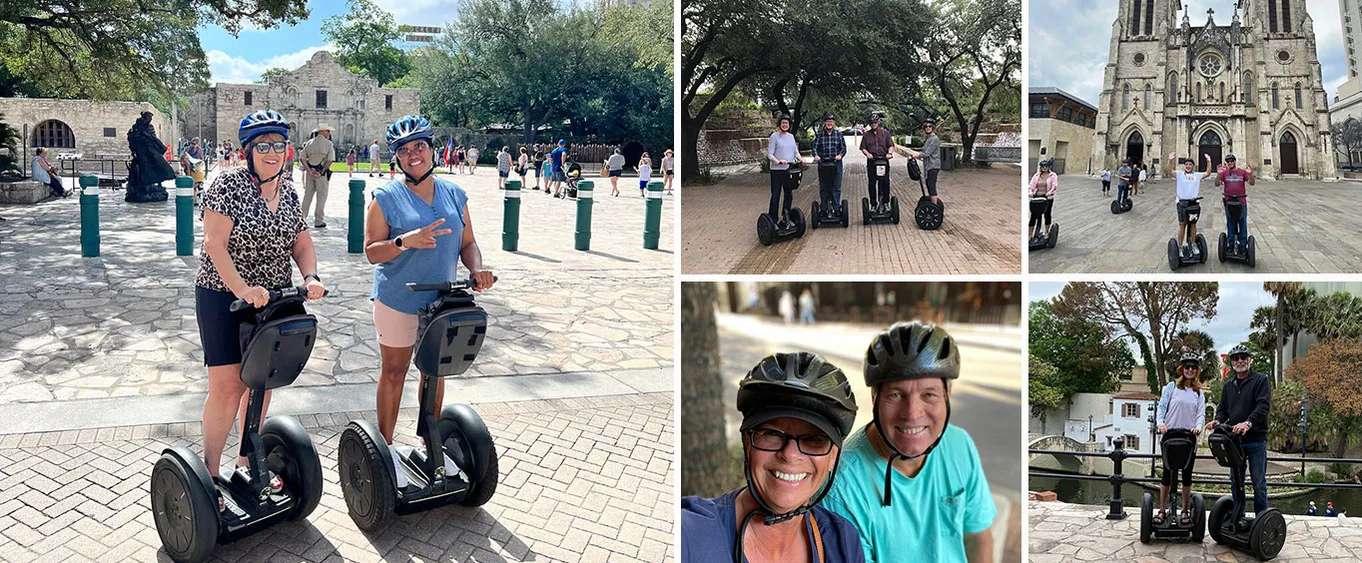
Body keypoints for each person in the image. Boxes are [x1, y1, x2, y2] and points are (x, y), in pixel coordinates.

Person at [196, 109, 325, 511]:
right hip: (223, 295)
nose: (273, 152)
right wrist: (242, 289)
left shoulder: (286, 190)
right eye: (263, 146)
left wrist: (312, 276)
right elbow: (214, 245)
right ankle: (211, 475)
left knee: (261, 383)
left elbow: (301, 242)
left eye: (279, 145)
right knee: (228, 386)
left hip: (273, 299)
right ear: (248, 151)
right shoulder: (226, 186)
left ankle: (246, 463)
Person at [363, 115, 495, 488]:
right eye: (404, 150)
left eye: (419, 146)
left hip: (442, 300)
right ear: (397, 159)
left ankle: (428, 443)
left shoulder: (454, 193)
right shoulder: (386, 197)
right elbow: (371, 252)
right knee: (394, 371)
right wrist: (407, 241)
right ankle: (384, 450)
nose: (413, 154)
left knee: (434, 375)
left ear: (431, 149)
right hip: (398, 299)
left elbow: (468, 244)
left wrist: (478, 269)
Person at [823, 322, 996, 563]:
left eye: (929, 395)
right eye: (896, 395)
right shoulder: (842, 485)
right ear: (875, 398)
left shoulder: (959, 445)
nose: (912, 413)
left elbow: (978, 537)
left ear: (948, 395)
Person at [681, 353, 864, 563]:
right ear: (747, 443)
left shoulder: (843, 543)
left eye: (813, 439)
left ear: (833, 457)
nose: (790, 454)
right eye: (771, 434)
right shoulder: (690, 536)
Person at [1205, 344, 1272, 519]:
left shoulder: (1260, 380)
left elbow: (1263, 406)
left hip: (1256, 439)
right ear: (1231, 363)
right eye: (1236, 358)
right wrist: (1218, 420)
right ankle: (1238, 516)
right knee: (1236, 482)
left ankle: (1261, 521)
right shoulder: (1228, 386)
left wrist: (1248, 422)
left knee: (1259, 483)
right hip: (1235, 441)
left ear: (1249, 360)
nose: (1240, 361)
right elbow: (1223, 408)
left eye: (1243, 357)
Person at [1153, 353, 1206, 526]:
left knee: (1187, 475)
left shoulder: (1199, 393)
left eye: (1193, 367)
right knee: (1167, 474)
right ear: (1181, 369)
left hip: (1189, 438)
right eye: (1187, 366)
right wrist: (1160, 423)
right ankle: (1162, 509)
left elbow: (1200, 414)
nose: (1190, 370)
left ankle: (1184, 510)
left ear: (1197, 371)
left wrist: (1198, 427)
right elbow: (1161, 407)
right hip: (1170, 435)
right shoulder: (1170, 388)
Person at [1163, 151, 1213, 260]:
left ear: (1193, 166)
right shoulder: (1180, 174)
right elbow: (1169, 171)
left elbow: (1208, 173)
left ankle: (1193, 244)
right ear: (1184, 166)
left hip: (1193, 203)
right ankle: (1180, 247)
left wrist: (1209, 161)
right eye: (1186, 165)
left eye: (1190, 165)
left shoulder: (1196, 175)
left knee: (1193, 224)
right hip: (1182, 202)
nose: (1188, 166)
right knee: (1182, 224)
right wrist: (1170, 160)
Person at [1215, 154, 1255, 250]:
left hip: (1241, 202)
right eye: (1228, 161)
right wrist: (1219, 174)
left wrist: (1250, 174)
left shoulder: (1242, 172)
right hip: (1229, 203)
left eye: (1232, 160)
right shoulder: (1224, 173)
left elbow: (1252, 183)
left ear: (1235, 161)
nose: (1230, 162)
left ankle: (1242, 244)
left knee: (1242, 223)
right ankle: (1231, 243)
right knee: (1230, 223)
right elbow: (1217, 184)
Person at [300, 124, 335, 228]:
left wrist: (309, 170)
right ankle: (319, 220)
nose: (329, 133)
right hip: (321, 174)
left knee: (307, 196)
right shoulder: (328, 144)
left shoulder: (309, 143)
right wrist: (323, 171)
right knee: (321, 197)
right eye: (328, 131)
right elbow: (330, 160)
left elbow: (302, 158)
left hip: (310, 172)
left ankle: (302, 218)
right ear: (322, 132)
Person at [768, 115, 800, 227]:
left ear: (789, 125)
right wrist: (777, 161)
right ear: (779, 124)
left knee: (788, 194)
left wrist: (801, 159)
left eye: (787, 123)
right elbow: (770, 154)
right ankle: (773, 219)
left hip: (788, 170)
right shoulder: (774, 137)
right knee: (776, 195)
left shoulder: (791, 137)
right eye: (783, 123)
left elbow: (796, 152)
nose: (785, 125)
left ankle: (786, 215)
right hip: (777, 171)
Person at [858, 114, 894, 213]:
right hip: (872, 162)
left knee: (885, 182)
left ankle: (885, 203)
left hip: (884, 161)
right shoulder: (866, 135)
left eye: (875, 122)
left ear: (878, 123)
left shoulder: (885, 133)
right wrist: (868, 154)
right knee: (872, 183)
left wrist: (889, 153)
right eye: (872, 123)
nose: (873, 124)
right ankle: (873, 204)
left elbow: (891, 145)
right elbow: (863, 148)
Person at [812, 114, 846, 215]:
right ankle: (824, 208)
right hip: (823, 163)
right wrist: (816, 156)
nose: (829, 123)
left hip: (836, 163)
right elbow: (814, 148)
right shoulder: (820, 135)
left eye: (831, 121)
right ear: (825, 123)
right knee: (824, 187)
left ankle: (836, 208)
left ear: (834, 123)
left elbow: (843, 148)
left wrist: (840, 155)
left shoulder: (839, 134)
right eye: (827, 121)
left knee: (836, 186)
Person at [905, 119, 943, 205]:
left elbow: (926, 153)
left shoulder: (934, 139)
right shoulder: (928, 138)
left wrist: (915, 155)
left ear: (933, 128)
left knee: (931, 186)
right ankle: (933, 205)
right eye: (926, 126)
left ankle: (934, 206)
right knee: (928, 184)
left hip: (933, 166)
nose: (928, 128)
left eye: (930, 126)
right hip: (928, 166)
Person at [1028, 158, 1058, 235]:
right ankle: (1030, 234)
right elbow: (1031, 185)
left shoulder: (1053, 175)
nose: (1045, 168)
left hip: (1047, 197)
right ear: (1040, 167)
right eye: (1043, 166)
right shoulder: (1037, 175)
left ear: (1049, 167)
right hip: (1037, 196)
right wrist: (1031, 192)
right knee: (1033, 216)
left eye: (1046, 166)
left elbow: (1054, 186)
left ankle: (1047, 232)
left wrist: (1050, 192)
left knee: (1047, 214)